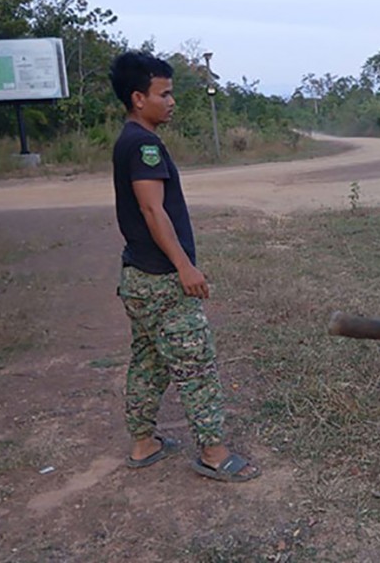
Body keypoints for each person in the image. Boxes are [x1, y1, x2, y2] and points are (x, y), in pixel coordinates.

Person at [109, 51, 259, 482]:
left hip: (137, 277)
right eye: (165, 93)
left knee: (148, 361)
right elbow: (153, 211)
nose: (172, 101)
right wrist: (185, 267)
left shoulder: (129, 138)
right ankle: (214, 453)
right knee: (196, 367)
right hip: (161, 279)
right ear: (139, 98)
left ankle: (143, 444)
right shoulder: (144, 145)